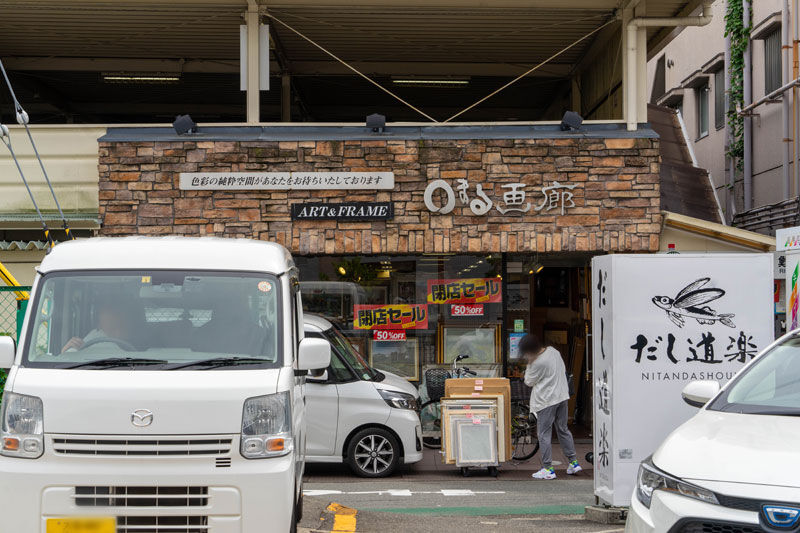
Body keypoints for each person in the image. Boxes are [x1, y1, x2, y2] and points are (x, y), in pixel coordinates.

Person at [521, 333, 581, 480]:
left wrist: (529, 364)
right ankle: (573, 462)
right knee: (563, 429)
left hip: (547, 400)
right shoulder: (554, 351)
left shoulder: (536, 363)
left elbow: (528, 381)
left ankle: (548, 468)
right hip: (562, 396)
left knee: (543, 434)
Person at [61, 297, 138, 353]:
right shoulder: (94, 338)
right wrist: (65, 354)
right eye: (106, 312)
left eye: (116, 313)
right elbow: (72, 358)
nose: (111, 317)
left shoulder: (143, 342)